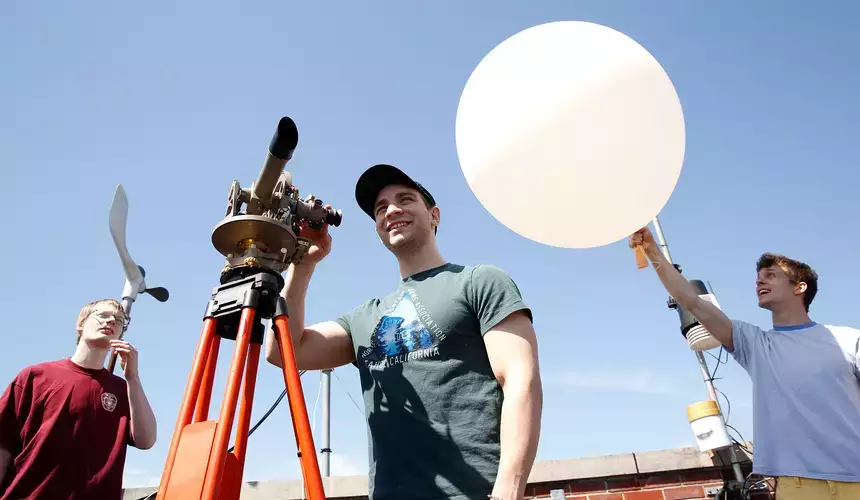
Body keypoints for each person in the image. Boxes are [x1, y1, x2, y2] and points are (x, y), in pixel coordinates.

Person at [265, 163, 542, 500]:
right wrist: (303, 265)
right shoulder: (365, 317)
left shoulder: (479, 281)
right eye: (380, 208)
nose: (391, 210)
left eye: (405, 200)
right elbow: (283, 351)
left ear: (434, 215)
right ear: (379, 230)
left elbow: (520, 380)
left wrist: (508, 490)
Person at [629, 226, 860, 500]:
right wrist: (652, 250)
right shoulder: (755, 343)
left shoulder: (847, 339)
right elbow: (688, 299)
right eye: (758, 277)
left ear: (800, 287)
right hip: (799, 487)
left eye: (771, 275)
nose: (759, 281)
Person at [0, 298, 158, 499]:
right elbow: (3, 445)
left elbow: (146, 441)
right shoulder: (35, 376)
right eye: (103, 315)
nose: (111, 321)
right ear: (81, 324)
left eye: (119, 320)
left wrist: (133, 378)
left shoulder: (123, 389)